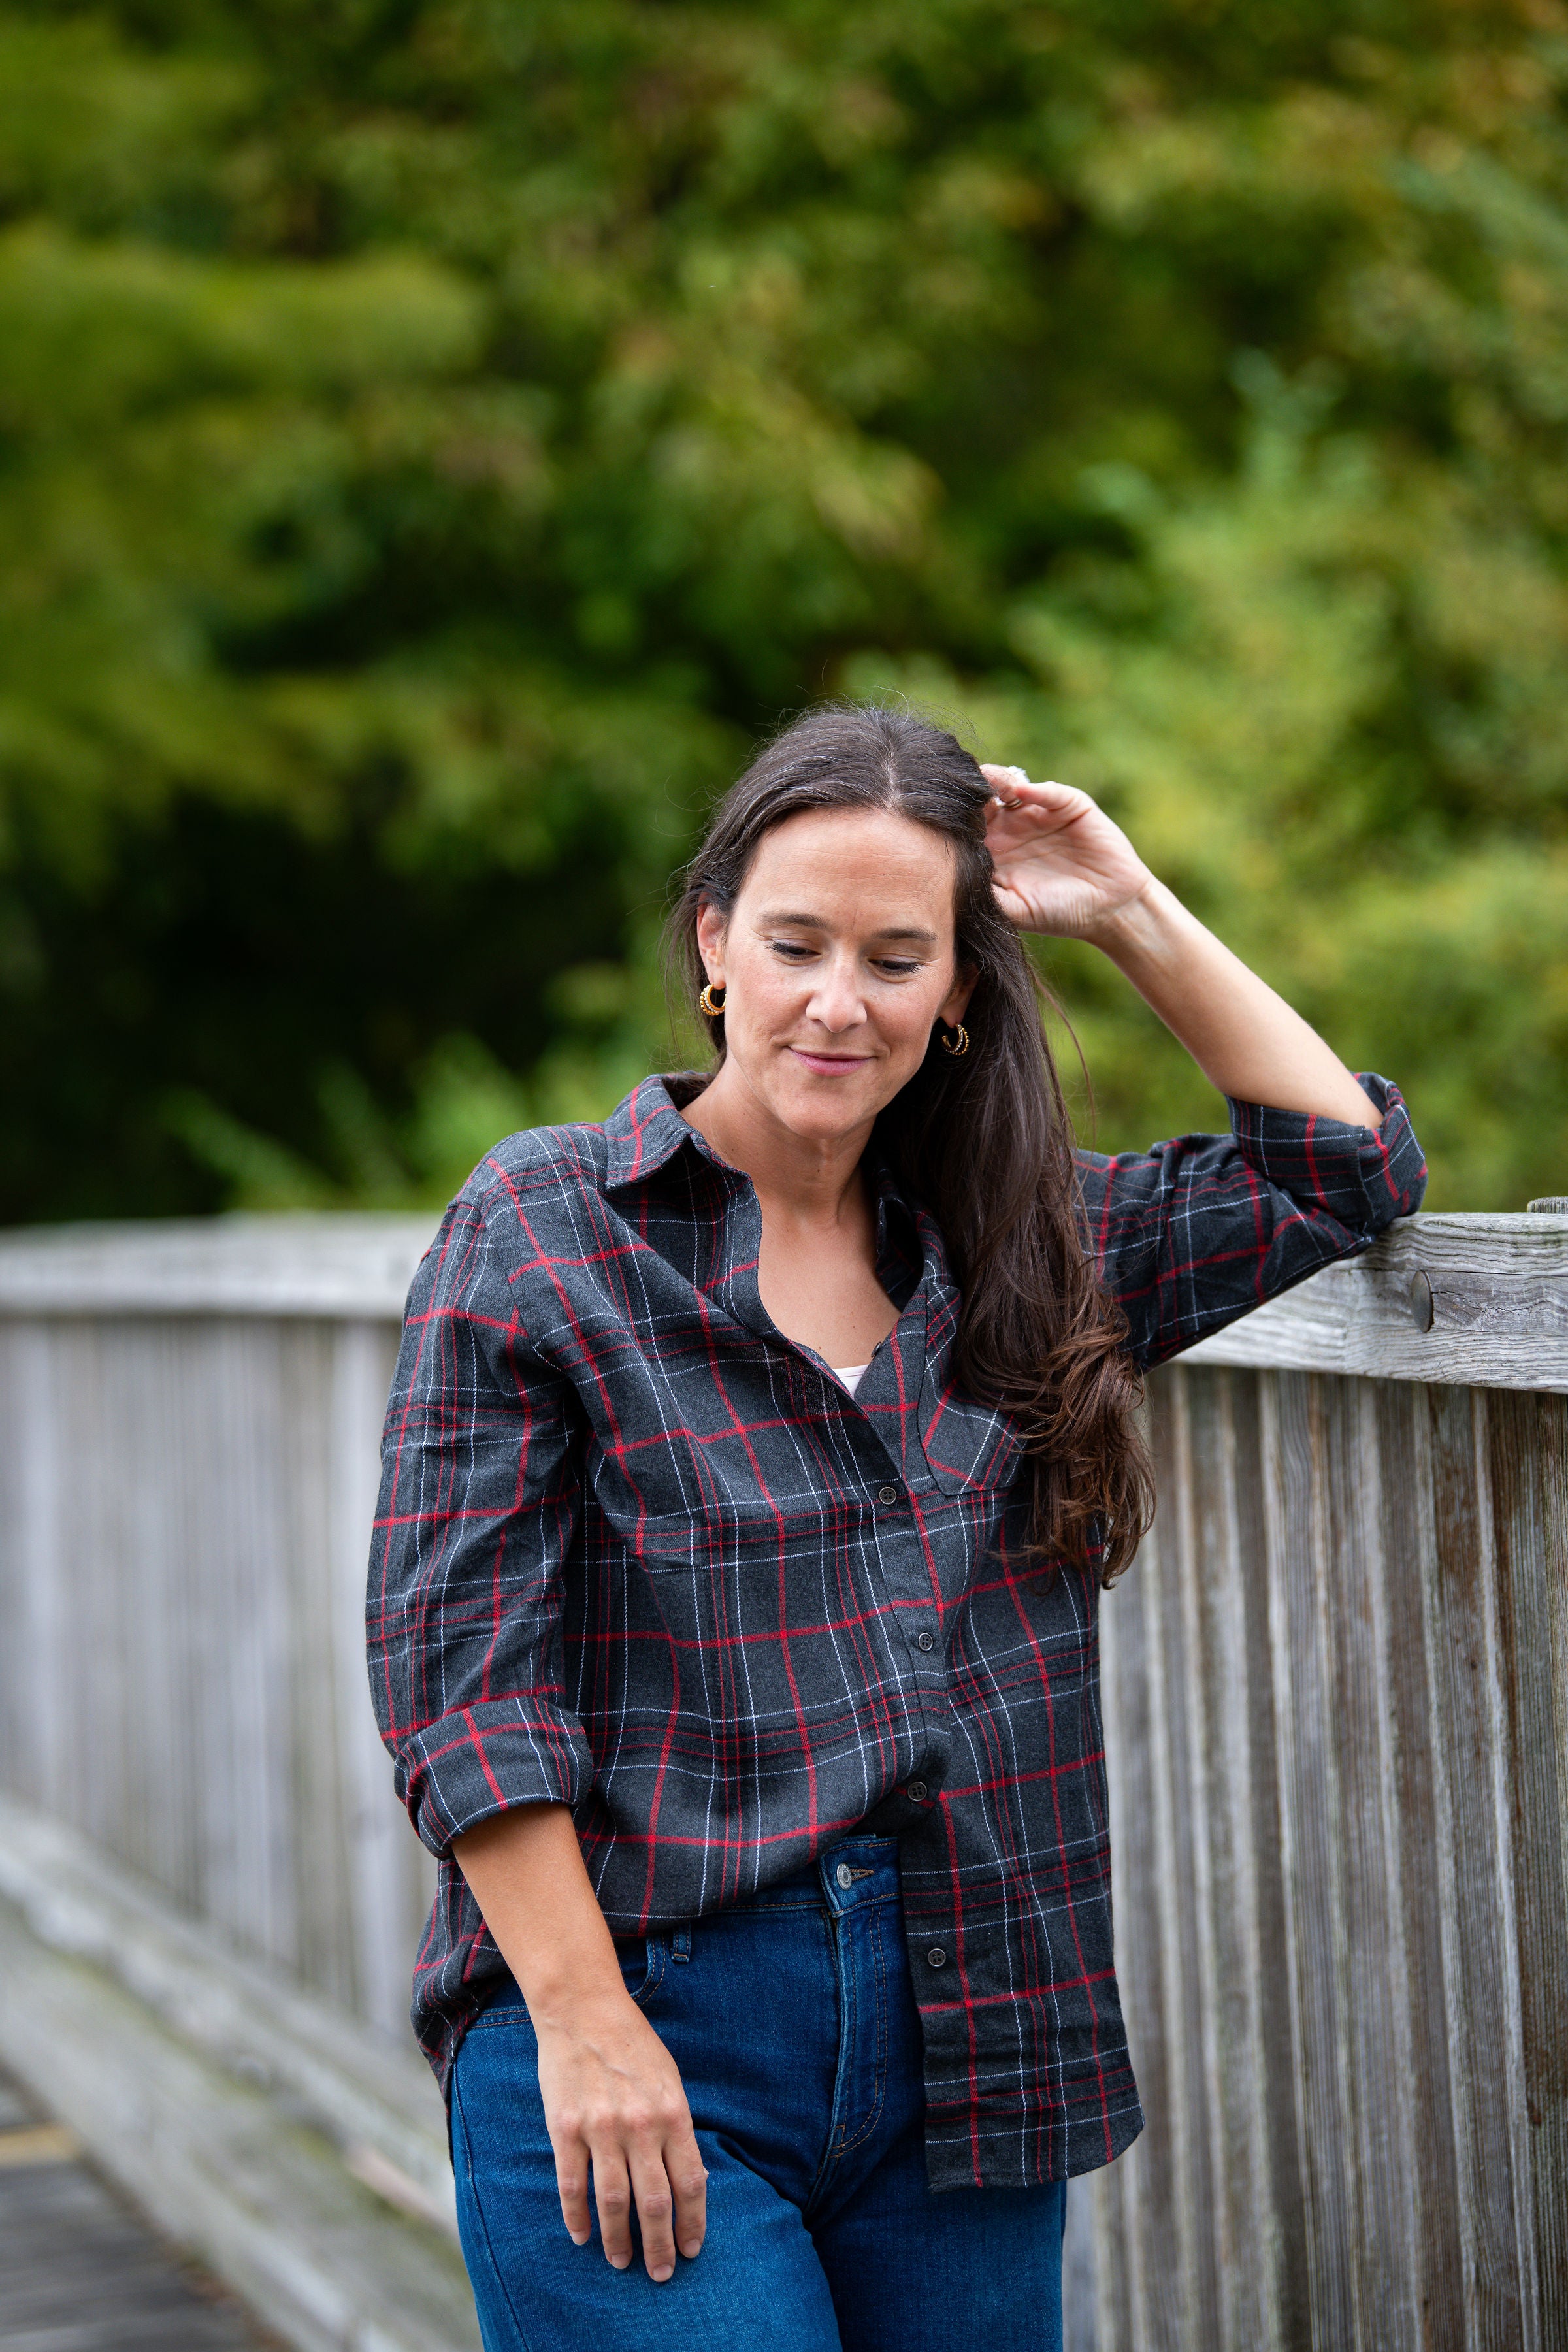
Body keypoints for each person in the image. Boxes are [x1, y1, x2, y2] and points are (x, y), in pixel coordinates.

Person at [367, 704, 1425, 2352]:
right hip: (654, 2003)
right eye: (794, 943)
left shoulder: (1018, 1246)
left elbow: (1342, 1172)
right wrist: (582, 2027)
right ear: (716, 944)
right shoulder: (548, 1227)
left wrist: (1130, 908)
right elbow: (462, 1682)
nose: (835, 1002)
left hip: (981, 2031)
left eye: (895, 956)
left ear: (955, 997)